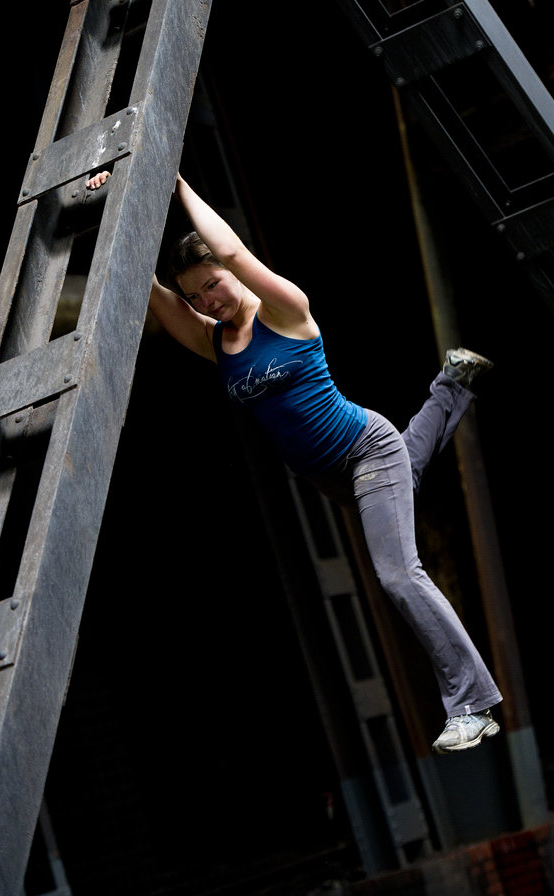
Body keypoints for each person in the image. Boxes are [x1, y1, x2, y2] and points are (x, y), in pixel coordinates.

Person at [86, 169, 502, 754]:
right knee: (409, 473)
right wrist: (110, 210)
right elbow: (154, 297)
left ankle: (472, 704)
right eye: (197, 294)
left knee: (397, 573)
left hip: (362, 449)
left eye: (212, 284)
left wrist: (170, 182)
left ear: (232, 271)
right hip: (323, 476)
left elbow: (229, 246)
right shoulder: (216, 341)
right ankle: (454, 384)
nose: (207, 299)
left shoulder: (286, 311)